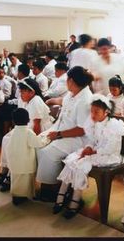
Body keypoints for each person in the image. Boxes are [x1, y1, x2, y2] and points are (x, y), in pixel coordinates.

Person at [53, 94, 124, 218]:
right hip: (96, 152)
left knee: (81, 164)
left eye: (96, 111)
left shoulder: (113, 126)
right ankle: (62, 194)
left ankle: (75, 201)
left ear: (106, 112)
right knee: (72, 160)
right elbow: (92, 140)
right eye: (91, 111)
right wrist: (89, 147)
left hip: (109, 156)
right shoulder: (95, 123)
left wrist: (93, 152)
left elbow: (111, 147)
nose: (92, 114)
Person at [36, 66, 94, 201]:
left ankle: (53, 189)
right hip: (60, 130)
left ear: (71, 80)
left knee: (48, 152)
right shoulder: (73, 93)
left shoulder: (85, 100)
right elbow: (65, 102)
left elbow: (82, 129)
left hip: (78, 138)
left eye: (67, 79)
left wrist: (58, 135)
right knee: (37, 143)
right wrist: (51, 100)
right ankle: (47, 185)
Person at [0, 78, 53, 192]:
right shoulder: (22, 100)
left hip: (39, 129)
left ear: (32, 92)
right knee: (6, 138)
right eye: (20, 91)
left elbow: (37, 125)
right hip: (24, 127)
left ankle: (11, 175)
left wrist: (32, 141)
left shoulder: (36, 100)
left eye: (23, 91)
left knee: (15, 144)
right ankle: (5, 170)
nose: (20, 94)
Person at [6, 108, 50, 205]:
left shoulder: (12, 132)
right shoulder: (28, 132)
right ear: (28, 120)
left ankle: (16, 196)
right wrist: (48, 138)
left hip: (14, 163)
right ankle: (24, 196)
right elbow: (38, 143)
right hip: (25, 163)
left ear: (13, 121)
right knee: (26, 181)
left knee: (16, 180)